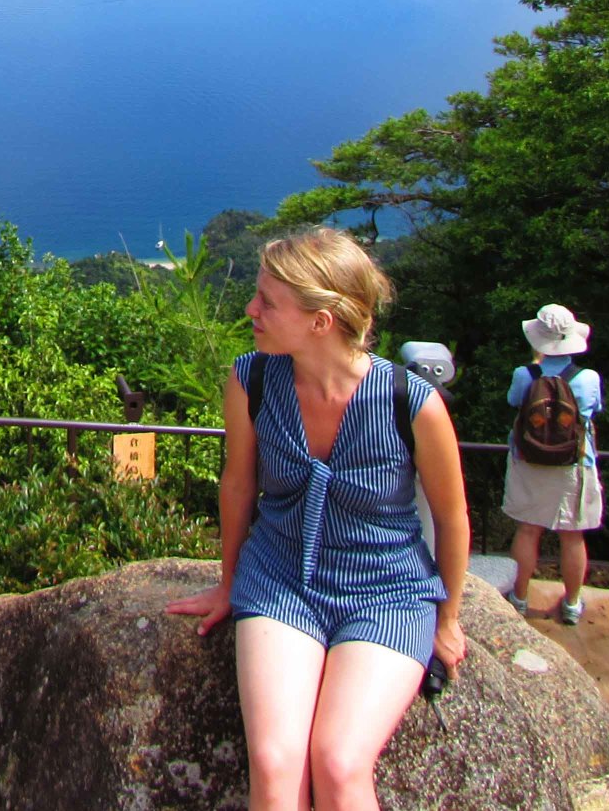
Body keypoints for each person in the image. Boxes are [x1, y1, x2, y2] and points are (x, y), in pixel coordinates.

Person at [167, 228, 470, 811]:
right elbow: (238, 484)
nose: (251, 311)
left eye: (267, 302)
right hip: (281, 582)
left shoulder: (412, 403)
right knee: (276, 764)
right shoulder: (251, 379)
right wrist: (229, 582)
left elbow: (453, 518)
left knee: (338, 761)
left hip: (388, 593)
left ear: (320, 321)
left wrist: (448, 617)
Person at [503, 302, 603, 624]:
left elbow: (514, 402)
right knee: (572, 536)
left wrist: (536, 369)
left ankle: (519, 597)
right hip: (574, 464)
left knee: (528, 531)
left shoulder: (525, 374)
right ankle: (572, 604)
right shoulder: (587, 378)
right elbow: (591, 411)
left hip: (528, 460)